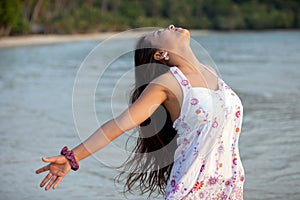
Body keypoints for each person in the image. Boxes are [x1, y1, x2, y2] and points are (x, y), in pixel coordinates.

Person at [36, 25, 245, 199]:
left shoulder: (210, 70)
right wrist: (72, 157)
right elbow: (116, 126)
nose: (170, 26)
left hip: (229, 185)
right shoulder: (167, 83)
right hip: (193, 188)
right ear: (160, 54)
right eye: (160, 32)